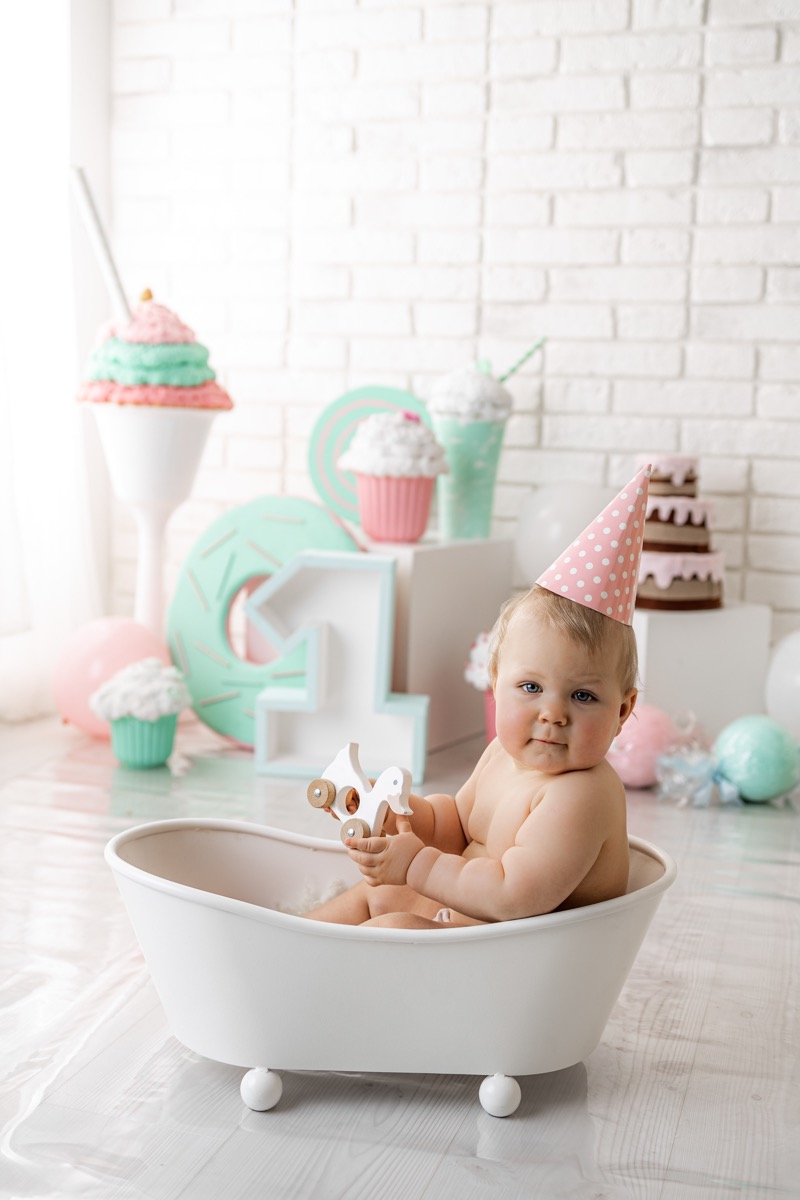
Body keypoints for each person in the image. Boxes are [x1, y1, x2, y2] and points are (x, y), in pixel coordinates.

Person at [306, 466, 649, 930]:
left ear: (622, 711)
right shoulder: (502, 756)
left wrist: (417, 865)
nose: (553, 714)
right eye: (531, 688)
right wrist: (403, 817)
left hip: (518, 952)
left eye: (583, 695)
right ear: (494, 682)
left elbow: (512, 896)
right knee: (376, 894)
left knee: (393, 929)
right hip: (468, 924)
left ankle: (325, 961)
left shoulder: (581, 795)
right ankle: (294, 939)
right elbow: (456, 825)